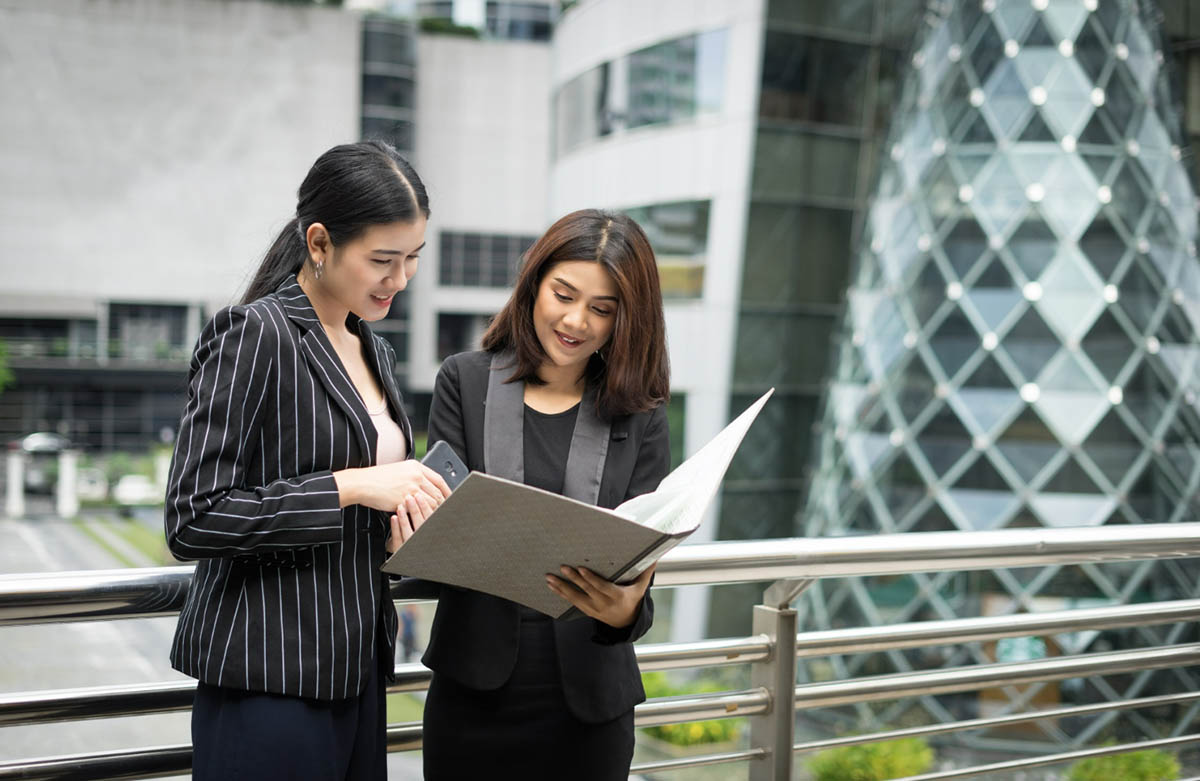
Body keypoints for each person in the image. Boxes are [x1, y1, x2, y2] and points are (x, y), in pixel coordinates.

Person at [163, 140, 452, 781]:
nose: (400, 280)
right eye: (382, 260)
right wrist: (350, 486)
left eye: (412, 259)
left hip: (358, 673)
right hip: (270, 679)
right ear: (319, 243)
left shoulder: (373, 348)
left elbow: (371, 503)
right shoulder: (255, 333)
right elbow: (193, 518)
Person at [401, 208, 671, 779]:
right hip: (474, 692)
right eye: (563, 294)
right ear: (533, 283)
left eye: (603, 309)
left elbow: (639, 574)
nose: (577, 321)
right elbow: (442, 524)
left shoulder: (641, 413)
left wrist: (624, 611)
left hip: (590, 704)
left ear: (627, 318)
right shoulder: (464, 380)